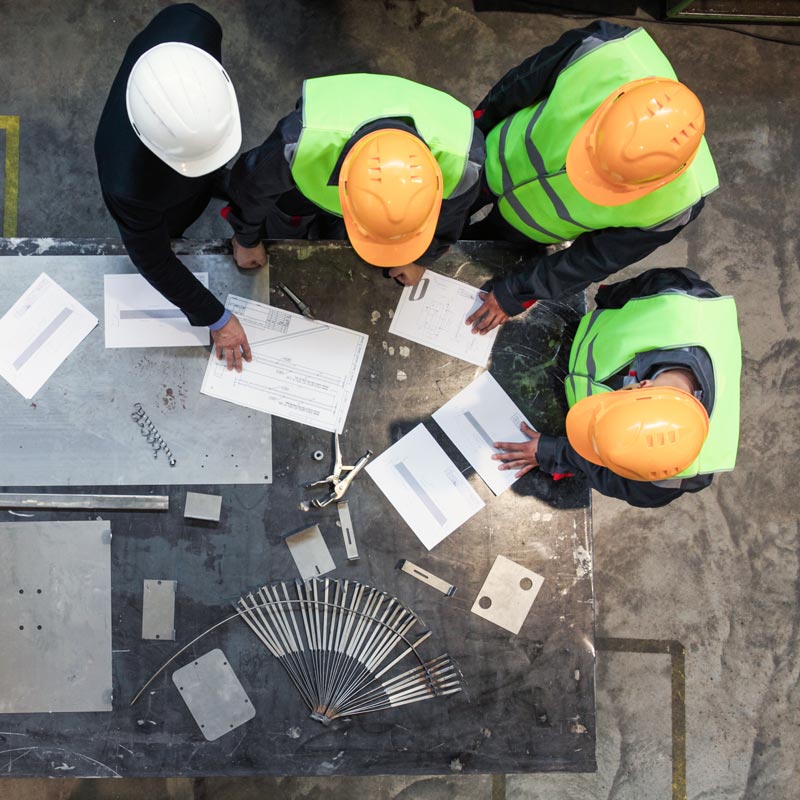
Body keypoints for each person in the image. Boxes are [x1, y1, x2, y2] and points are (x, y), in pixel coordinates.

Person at [465, 21, 719, 334]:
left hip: (532, 226)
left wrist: (516, 292)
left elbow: (593, 260)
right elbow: (518, 85)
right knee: (447, 208)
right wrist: (470, 139)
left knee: (475, 253)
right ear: (606, 111)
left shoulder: (678, 204)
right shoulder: (603, 52)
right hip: (494, 154)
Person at [492, 268, 741, 508]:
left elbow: (616, 478)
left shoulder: (677, 474)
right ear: (642, 384)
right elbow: (617, 295)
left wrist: (555, 452)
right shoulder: (677, 295)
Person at [95, 3, 252, 371]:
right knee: (171, 227)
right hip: (155, 190)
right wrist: (218, 318)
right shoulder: (128, 185)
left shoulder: (195, 25)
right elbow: (154, 259)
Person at [224, 73, 485, 285]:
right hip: (302, 191)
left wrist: (420, 258)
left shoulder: (463, 161)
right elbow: (250, 188)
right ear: (342, 186)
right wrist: (247, 240)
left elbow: (451, 218)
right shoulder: (301, 143)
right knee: (283, 227)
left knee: (338, 239)